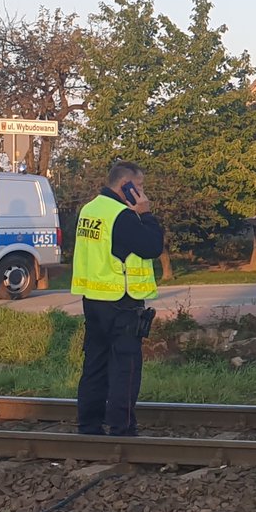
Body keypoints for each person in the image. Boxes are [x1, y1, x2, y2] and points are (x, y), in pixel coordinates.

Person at [73, 160, 165, 437]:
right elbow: (152, 247)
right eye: (139, 186)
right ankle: (121, 427)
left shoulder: (89, 209)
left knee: (95, 364)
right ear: (125, 184)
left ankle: (88, 424)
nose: (143, 193)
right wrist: (146, 214)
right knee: (126, 366)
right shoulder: (122, 215)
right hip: (121, 300)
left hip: (93, 299)